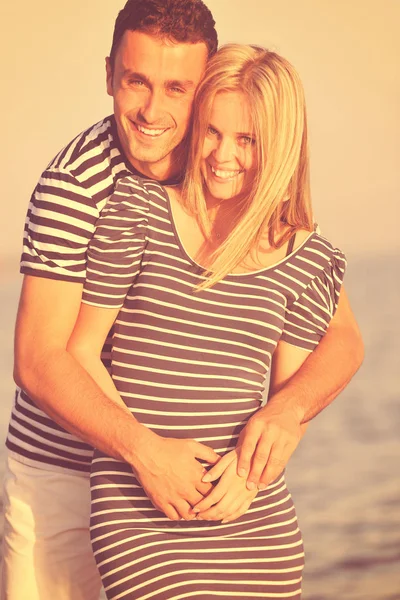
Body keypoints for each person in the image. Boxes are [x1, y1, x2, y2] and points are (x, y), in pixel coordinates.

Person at [2, 1, 363, 599]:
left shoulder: (231, 167)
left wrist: (286, 414)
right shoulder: (78, 186)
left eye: (177, 88)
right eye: (136, 81)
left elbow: (341, 338)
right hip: (64, 474)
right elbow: (42, 358)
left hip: (193, 488)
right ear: (110, 74)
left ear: (206, 86)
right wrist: (143, 452)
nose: (153, 111)